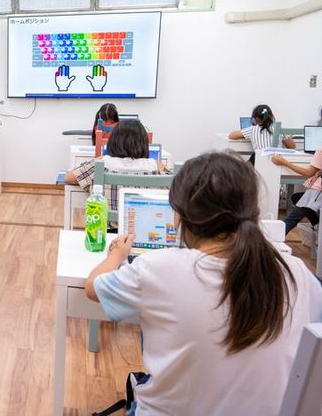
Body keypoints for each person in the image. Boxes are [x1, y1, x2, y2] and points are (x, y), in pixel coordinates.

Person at [86, 152, 322, 416]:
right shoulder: (298, 274)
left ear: (179, 215)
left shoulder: (160, 269)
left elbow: (93, 287)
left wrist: (116, 255)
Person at [66, 119, 166, 210]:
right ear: (144, 143)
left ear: (113, 140)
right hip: (144, 228)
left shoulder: (102, 163)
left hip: (105, 228)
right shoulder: (156, 167)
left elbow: (69, 178)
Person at [272, 149, 322, 235]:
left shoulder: (320, 151)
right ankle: (317, 224)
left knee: (290, 221)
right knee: (296, 197)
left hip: (318, 192)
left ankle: (271, 240)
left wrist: (285, 163)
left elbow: (308, 173)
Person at [229, 104, 295, 164]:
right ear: (272, 116)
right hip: (277, 162)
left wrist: (244, 135)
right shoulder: (279, 129)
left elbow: (231, 135)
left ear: (255, 119)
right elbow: (292, 146)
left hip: (259, 163)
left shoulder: (252, 130)